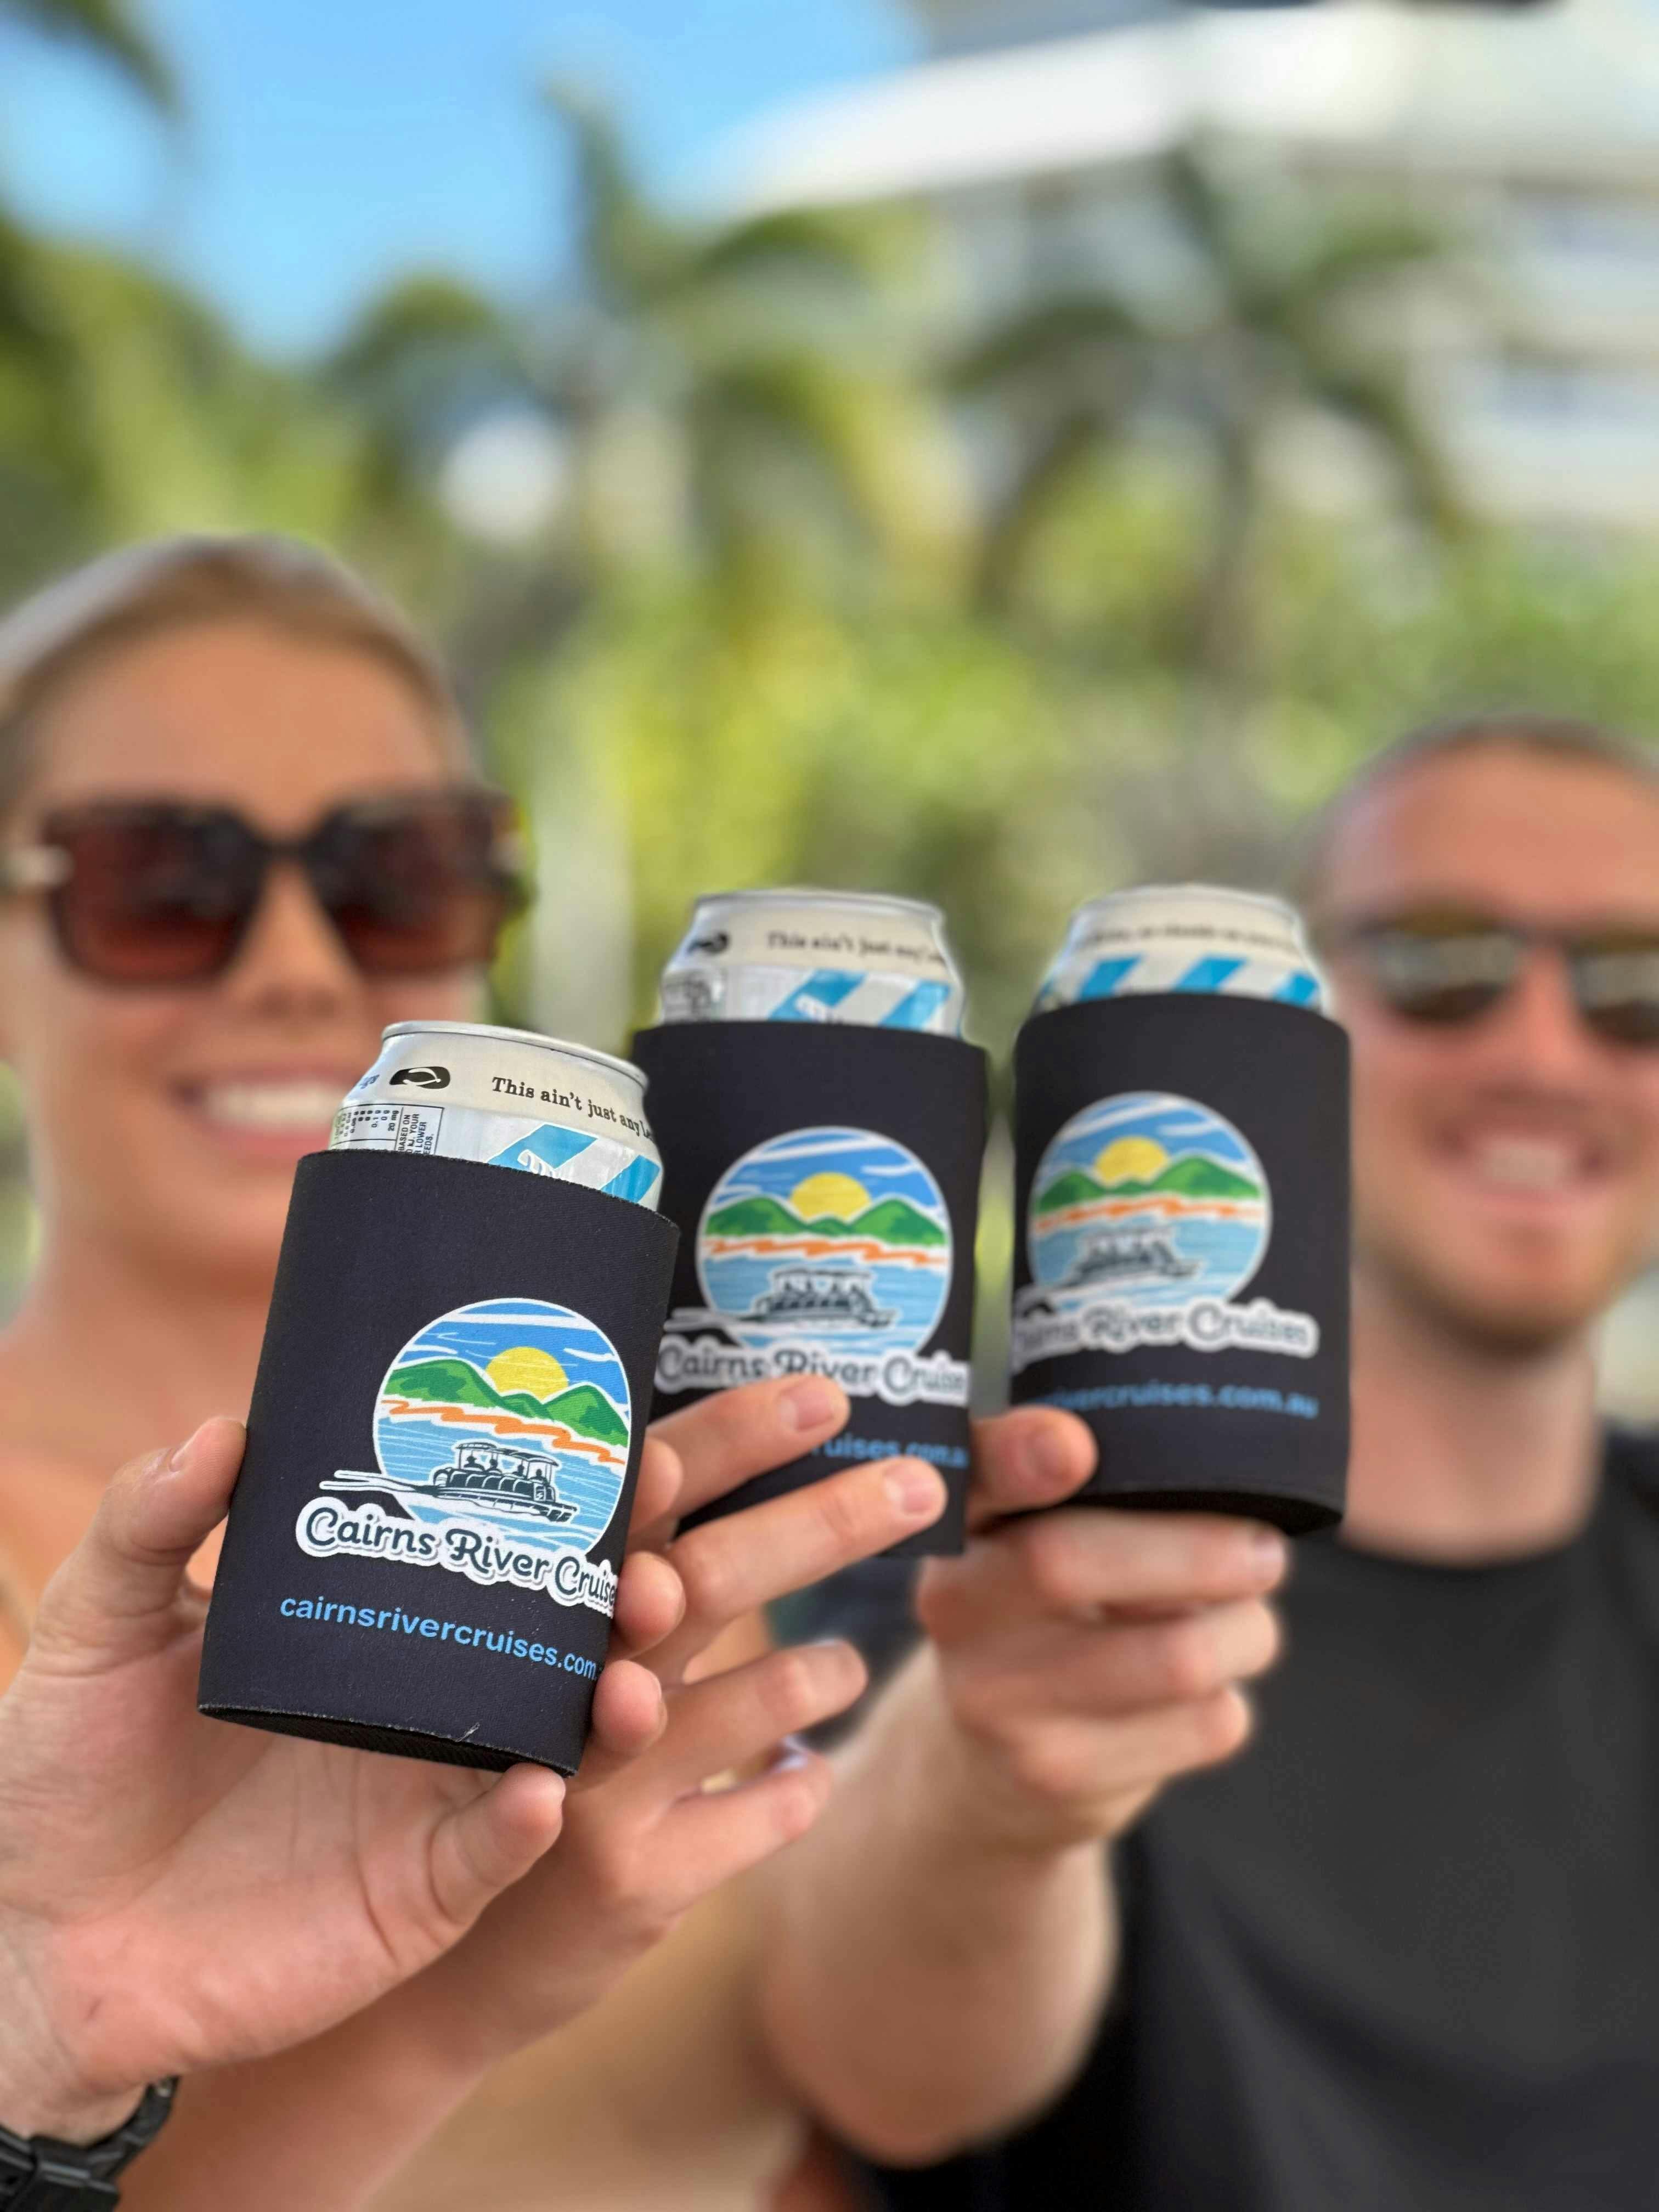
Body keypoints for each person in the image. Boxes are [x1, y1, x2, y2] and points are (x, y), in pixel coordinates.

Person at [0, 533, 956, 2208]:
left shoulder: (634, 1494)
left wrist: (1023, 1771)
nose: (297, 964)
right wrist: (454, 2004)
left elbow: (894, 2088)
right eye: (164, 882)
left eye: (400, 875)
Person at [753, 714, 1659, 2211]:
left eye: (1633, 988)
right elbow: (875, 2067)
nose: (1541, 1051)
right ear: (1295, 1025)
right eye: (1447, 964)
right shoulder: (991, 1539)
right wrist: (988, 1788)